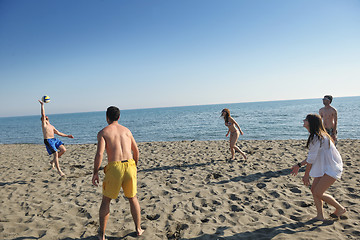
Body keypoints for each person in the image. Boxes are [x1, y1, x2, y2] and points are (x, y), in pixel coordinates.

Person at [92, 106, 144, 239]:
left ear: (107, 117)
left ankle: (102, 235)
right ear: (119, 117)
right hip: (130, 165)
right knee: (133, 198)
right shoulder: (127, 131)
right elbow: (136, 152)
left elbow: (99, 154)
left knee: (106, 201)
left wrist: (95, 172)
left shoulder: (103, 132)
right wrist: (134, 167)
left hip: (114, 167)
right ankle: (138, 229)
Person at [291, 114, 346, 221]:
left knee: (318, 192)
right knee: (314, 190)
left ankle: (340, 209)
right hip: (324, 166)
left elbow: (311, 159)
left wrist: (306, 175)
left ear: (311, 123)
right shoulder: (317, 135)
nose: (303, 121)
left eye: (306, 120)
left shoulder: (317, 137)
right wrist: (298, 165)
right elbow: (312, 157)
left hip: (331, 167)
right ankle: (320, 216)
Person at [39, 100, 74, 177]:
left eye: (46, 117)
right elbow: (43, 113)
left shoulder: (51, 126)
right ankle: (59, 171)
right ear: (43, 119)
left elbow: (59, 133)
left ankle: (53, 161)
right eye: (44, 117)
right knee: (55, 154)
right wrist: (42, 105)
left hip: (54, 140)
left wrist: (67, 135)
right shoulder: (44, 124)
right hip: (48, 140)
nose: (45, 117)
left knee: (63, 150)